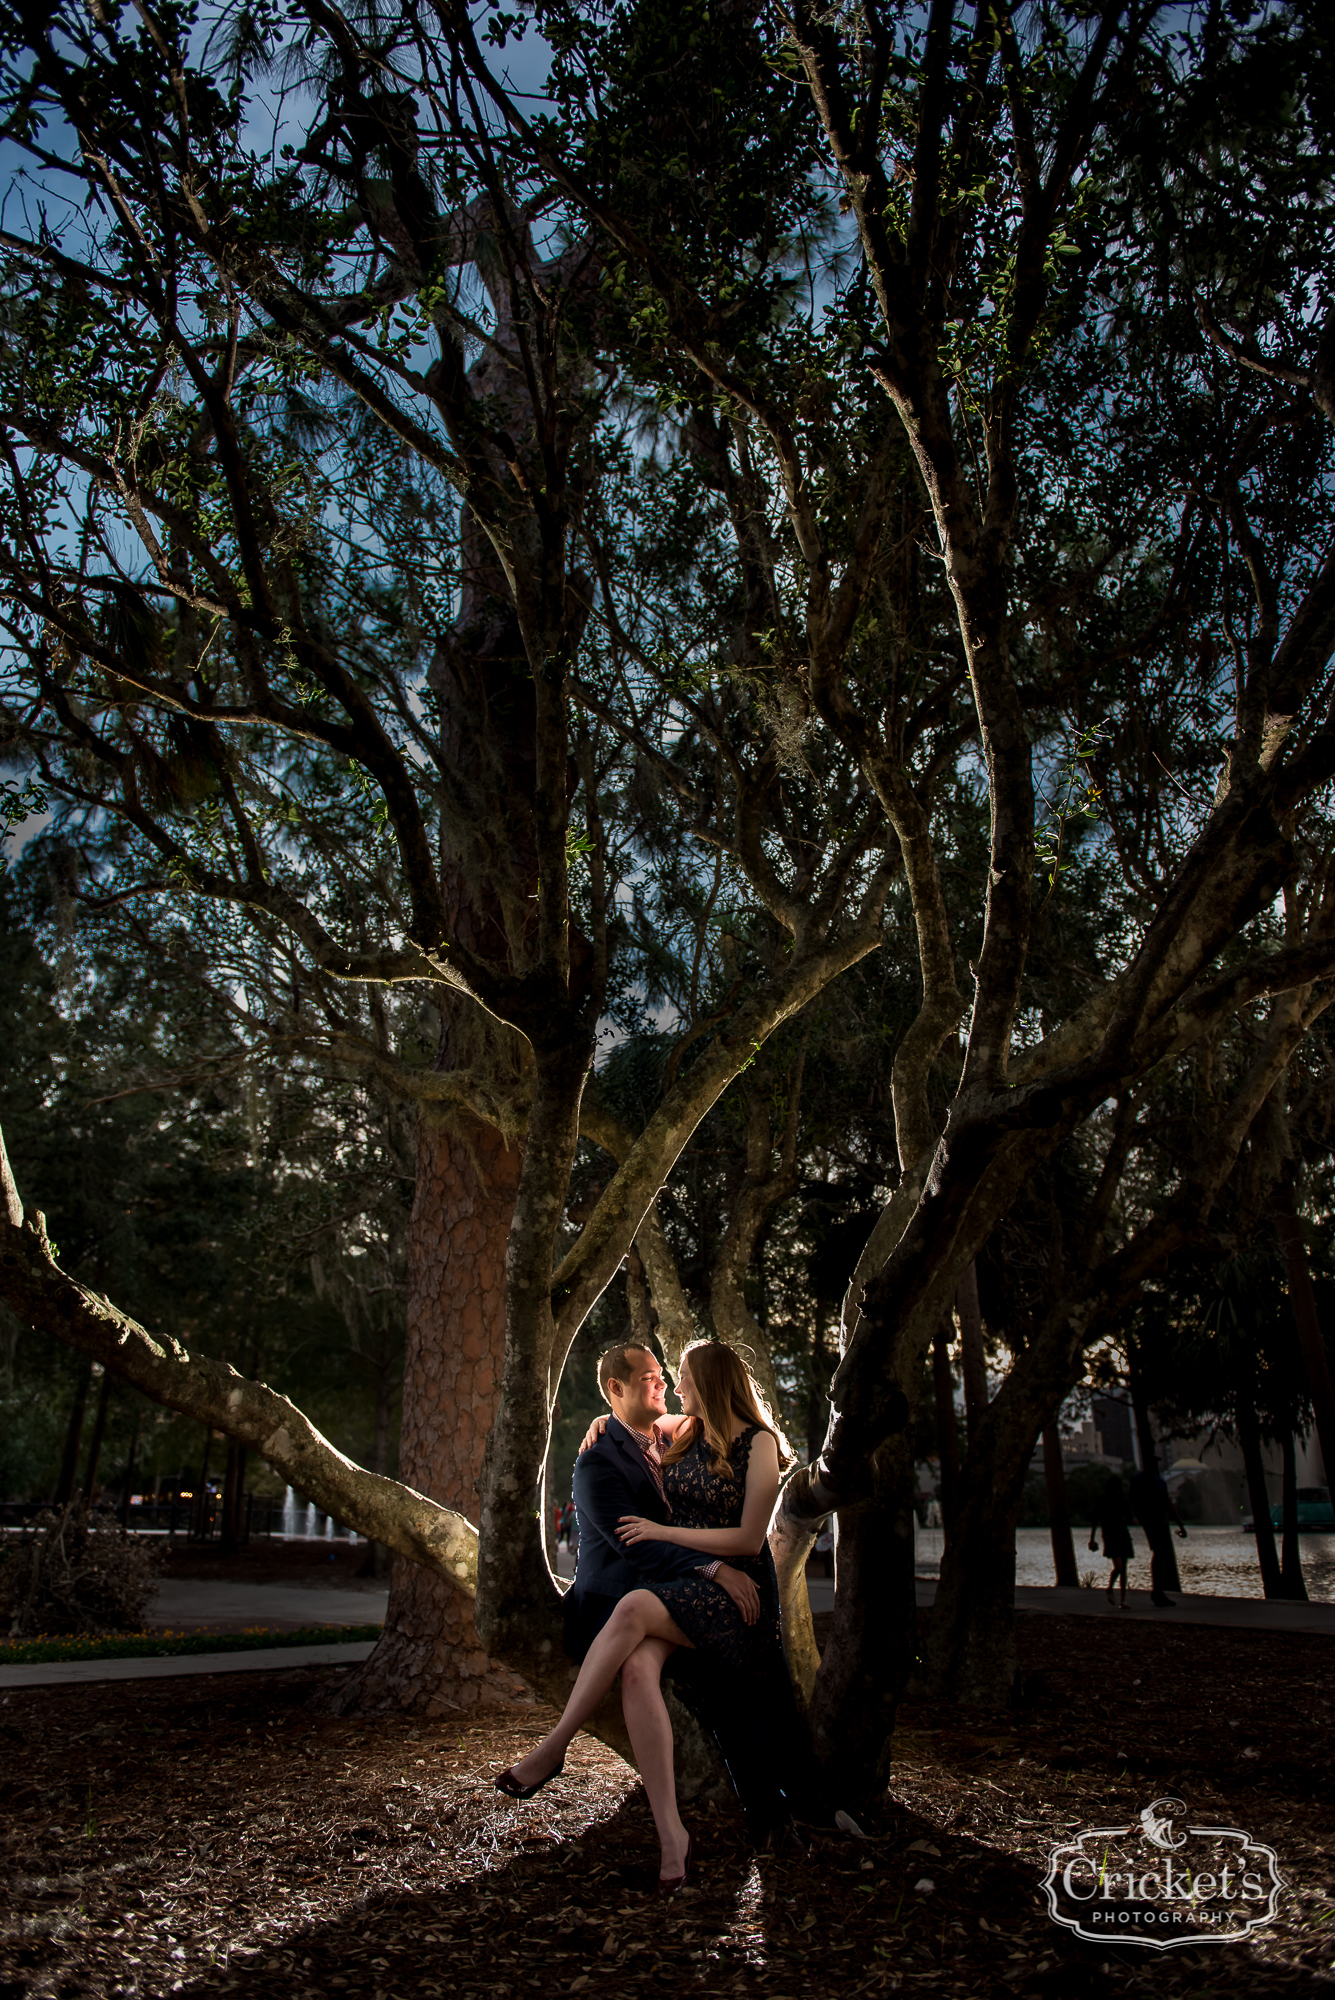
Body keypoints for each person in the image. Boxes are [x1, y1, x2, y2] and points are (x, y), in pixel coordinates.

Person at [494, 1340, 805, 1888]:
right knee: (638, 1665)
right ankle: (671, 1836)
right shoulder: (644, 1445)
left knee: (657, 1639)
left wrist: (689, 1552)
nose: (671, 1386)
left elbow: (747, 1535)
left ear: (705, 1384)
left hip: (709, 1589)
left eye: (675, 1377)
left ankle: (556, 1748)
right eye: (656, 1377)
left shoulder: (731, 1437)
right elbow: (628, 1446)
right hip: (669, 1588)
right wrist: (604, 1415)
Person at [1129, 1466, 1188, 1607]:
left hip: (1159, 1521)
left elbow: (1167, 1503)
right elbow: (1134, 1500)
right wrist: (1139, 1517)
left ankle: (1158, 1591)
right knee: (1159, 1552)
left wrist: (1179, 1524)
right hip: (1152, 1521)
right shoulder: (1143, 1481)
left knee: (1160, 1553)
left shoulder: (1159, 1482)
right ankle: (1157, 1592)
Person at [1088, 1473, 1134, 1606]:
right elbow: (1095, 1520)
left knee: (1123, 1568)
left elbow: (1130, 1518)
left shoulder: (1123, 1500)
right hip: (1110, 1536)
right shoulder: (1102, 1500)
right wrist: (1092, 1539)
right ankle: (1110, 1588)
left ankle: (1123, 1600)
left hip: (1123, 1535)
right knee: (1119, 1567)